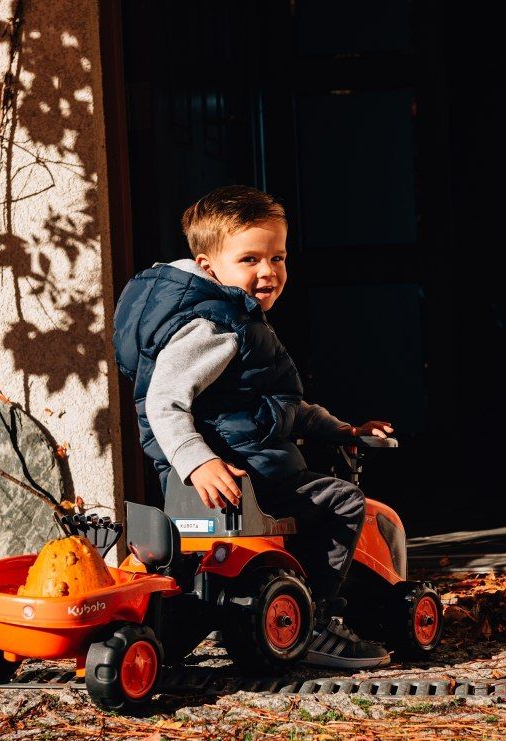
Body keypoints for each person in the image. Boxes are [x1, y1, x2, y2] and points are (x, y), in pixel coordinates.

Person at [113, 185, 393, 668]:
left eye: (278, 257)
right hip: (243, 480)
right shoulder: (214, 328)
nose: (269, 272)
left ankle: (193, 626)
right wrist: (198, 463)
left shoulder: (241, 321)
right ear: (207, 267)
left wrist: (343, 430)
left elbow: (285, 407)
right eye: (250, 259)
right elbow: (163, 403)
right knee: (345, 502)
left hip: (242, 471)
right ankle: (318, 619)